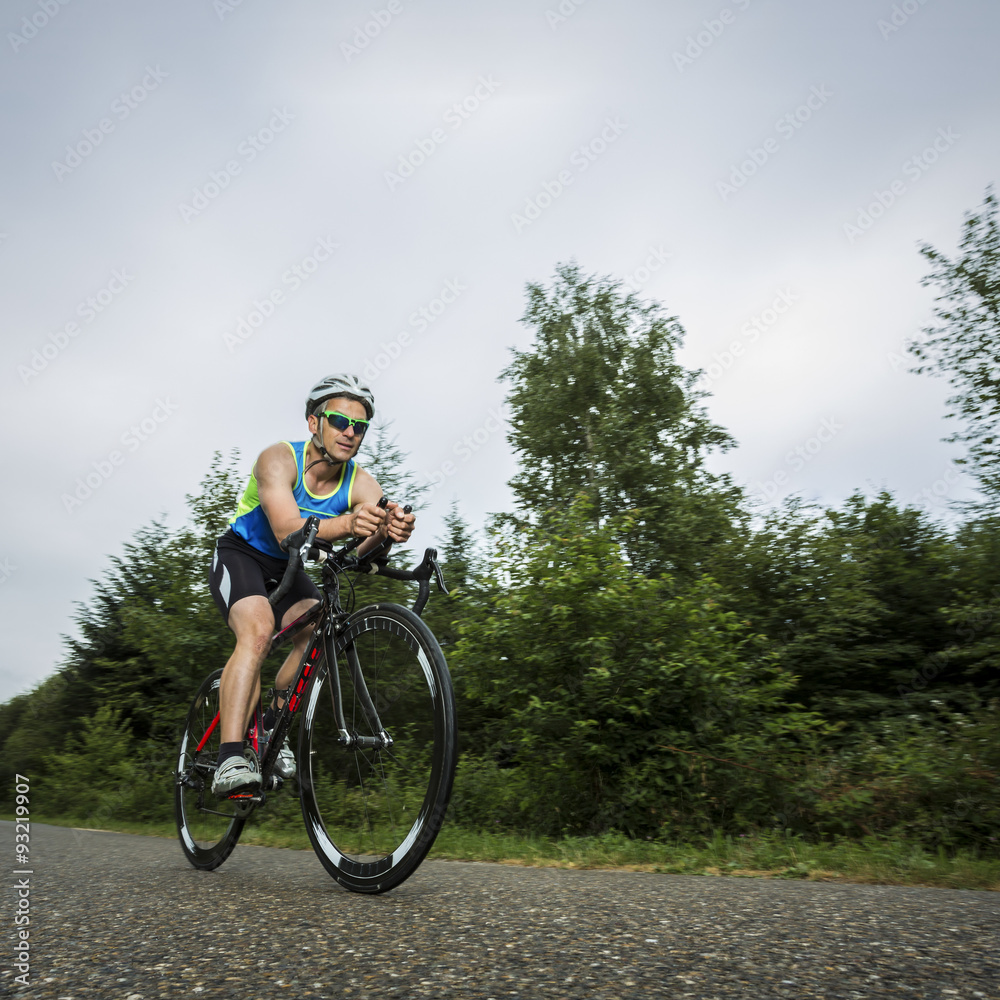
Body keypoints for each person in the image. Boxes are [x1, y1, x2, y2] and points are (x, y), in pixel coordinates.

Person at [207, 373, 415, 798]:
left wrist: (388, 531)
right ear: (313, 422)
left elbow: (365, 547)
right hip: (242, 553)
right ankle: (229, 757)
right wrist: (350, 523)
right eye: (340, 421)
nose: (350, 432)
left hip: (289, 565)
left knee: (318, 632)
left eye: (360, 426)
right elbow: (288, 529)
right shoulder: (278, 459)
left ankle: (269, 726)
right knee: (258, 631)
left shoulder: (361, 482)